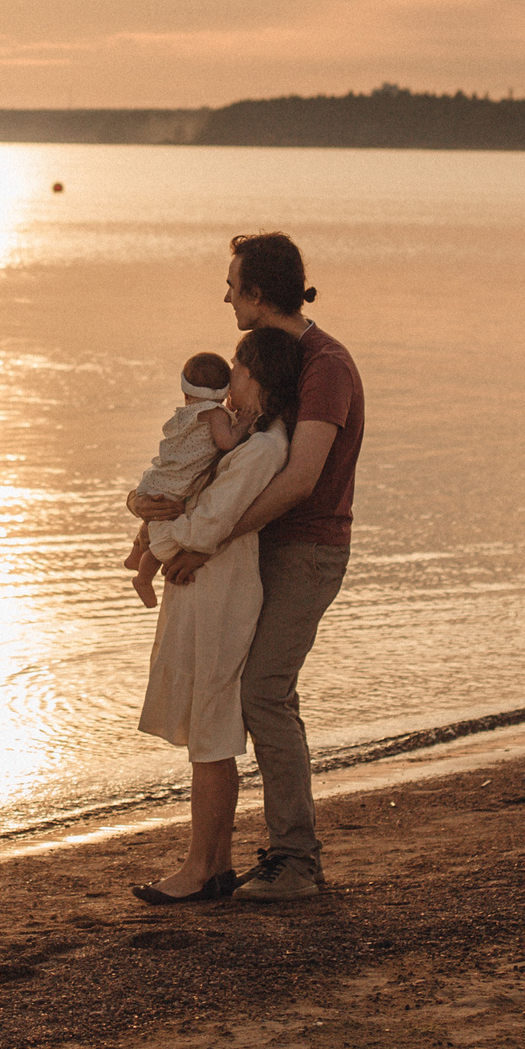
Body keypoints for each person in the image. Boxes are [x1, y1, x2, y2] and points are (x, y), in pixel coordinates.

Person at [128, 232, 364, 902]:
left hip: (307, 547)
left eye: (232, 284)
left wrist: (204, 541)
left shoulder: (325, 366)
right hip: (262, 548)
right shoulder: (270, 364)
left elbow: (297, 480)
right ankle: (222, 861)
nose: (225, 295)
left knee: (262, 690)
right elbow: (217, 465)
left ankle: (296, 860)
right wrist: (149, 508)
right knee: (241, 694)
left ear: (258, 292)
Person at [130, 326, 305, 904]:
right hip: (207, 585)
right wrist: (148, 505)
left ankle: (201, 868)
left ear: (254, 375)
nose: (228, 382)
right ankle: (215, 864)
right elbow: (190, 491)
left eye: (236, 369)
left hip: (220, 591)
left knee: (211, 726)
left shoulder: (263, 447)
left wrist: (159, 541)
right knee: (207, 724)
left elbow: (211, 521)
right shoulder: (248, 439)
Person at [120, 352, 242, 608]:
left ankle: (135, 553)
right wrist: (244, 424)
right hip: (174, 487)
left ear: (186, 393)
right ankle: (143, 576)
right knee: (163, 539)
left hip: (156, 478)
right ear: (225, 392)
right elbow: (227, 441)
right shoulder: (215, 414)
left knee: (151, 519)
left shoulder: (183, 415)